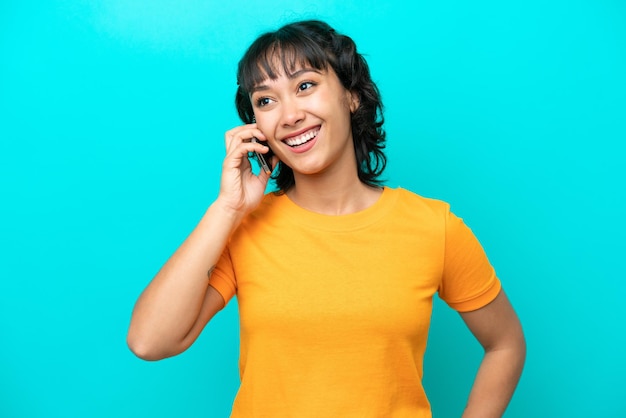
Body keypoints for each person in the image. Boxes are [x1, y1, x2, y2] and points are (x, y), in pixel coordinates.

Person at [127, 19, 526, 418]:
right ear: (255, 127)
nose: (289, 115)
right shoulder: (244, 228)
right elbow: (149, 341)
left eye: (305, 86)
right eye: (266, 101)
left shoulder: (433, 226)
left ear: (351, 96)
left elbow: (505, 343)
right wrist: (227, 209)